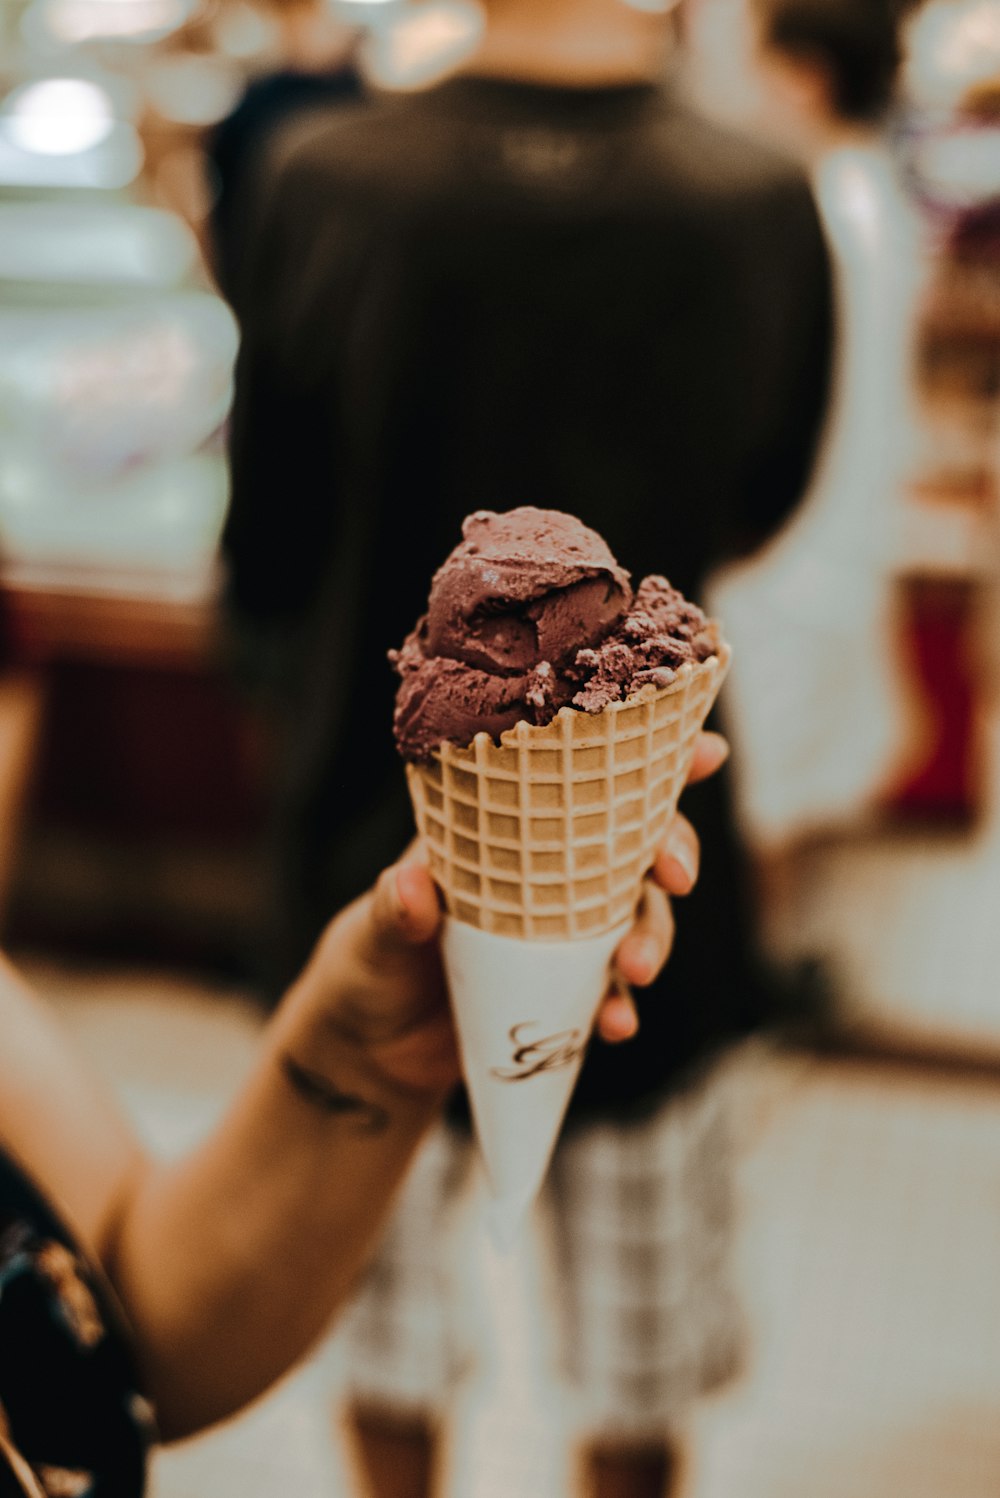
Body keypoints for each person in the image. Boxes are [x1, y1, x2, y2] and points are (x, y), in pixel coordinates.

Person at [221, 0, 834, 1492]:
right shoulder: (757, 197)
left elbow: (265, 554)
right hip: (652, 881)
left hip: (358, 852)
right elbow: (763, 492)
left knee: (384, 1340)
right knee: (635, 1376)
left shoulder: (319, 175)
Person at [0, 760, 717, 1496]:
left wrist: (364, 1060)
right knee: (393, 1352)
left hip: (637, 1030)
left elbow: (128, 1321)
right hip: (339, 832)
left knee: (636, 1357)